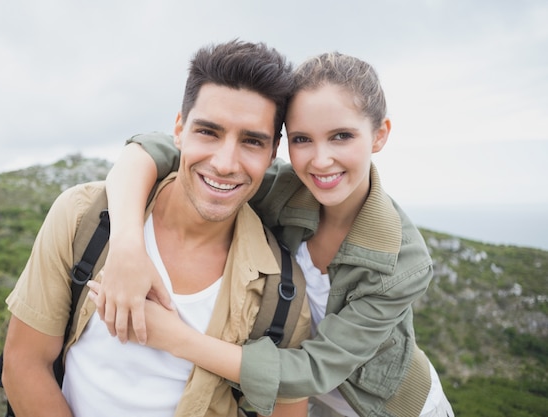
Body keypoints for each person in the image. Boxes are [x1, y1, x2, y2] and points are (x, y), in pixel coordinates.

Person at [95, 52, 455, 417]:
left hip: (386, 408)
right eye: (303, 139)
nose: (320, 159)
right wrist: (127, 247)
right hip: (305, 404)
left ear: (380, 135)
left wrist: (176, 338)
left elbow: (312, 371)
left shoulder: (404, 261)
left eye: (341, 136)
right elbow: (149, 150)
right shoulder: (282, 187)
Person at [0, 39, 311, 417]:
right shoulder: (82, 218)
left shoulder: (283, 295)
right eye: (208, 132)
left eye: (251, 141)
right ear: (179, 129)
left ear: (272, 152)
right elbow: (23, 364)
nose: (226, 163)